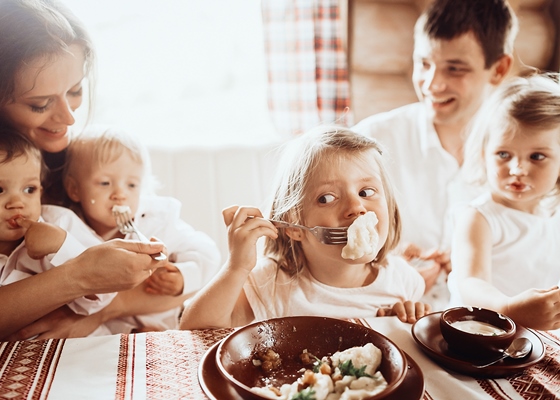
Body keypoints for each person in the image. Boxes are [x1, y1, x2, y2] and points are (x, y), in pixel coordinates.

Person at [0, 0, 169, 344]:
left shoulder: (79, 163)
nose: (69, 118)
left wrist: (99, 311)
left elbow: (174, 282)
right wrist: (77, 277)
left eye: (75, 91)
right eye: (39, 104)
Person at [351, 0, 517, 311]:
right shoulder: (373, 140)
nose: (432, 84)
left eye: (455, 69)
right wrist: (386, 268)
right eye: (424, 64)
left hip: (486, 326)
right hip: (387, 317)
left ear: (499, 69)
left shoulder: (528, 158)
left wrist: (472, 267)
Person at [180, 127, 430, 330]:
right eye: (327, 198)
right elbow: (194, 328)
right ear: (295, 226)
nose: (356, 207)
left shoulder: (402, 279)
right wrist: (237, 267)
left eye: (366, 192)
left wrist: (401, 321)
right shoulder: (272, 282)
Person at [0, 125, 121, 334]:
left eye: (30, 189)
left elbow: (109, 284)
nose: (18, 203)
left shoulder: (61, 222)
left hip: (79, 350)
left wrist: (62, 247)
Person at [62, 126, 221, 331]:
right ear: (74, 189)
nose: (120, 194)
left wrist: (184, 276)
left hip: (162, 330)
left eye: (132, 185)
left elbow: (208, 252)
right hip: (104, 335)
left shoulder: (156, 221)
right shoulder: (69, 229)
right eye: (105, 183)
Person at [448, 73, 560, 331]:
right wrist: (508, 308)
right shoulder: (480, 217)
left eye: (536, 156)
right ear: (483, 154)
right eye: (503, 154)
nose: (518, 169)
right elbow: (471, 283)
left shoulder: (553, 213)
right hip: (478, 331)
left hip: (535, 336)